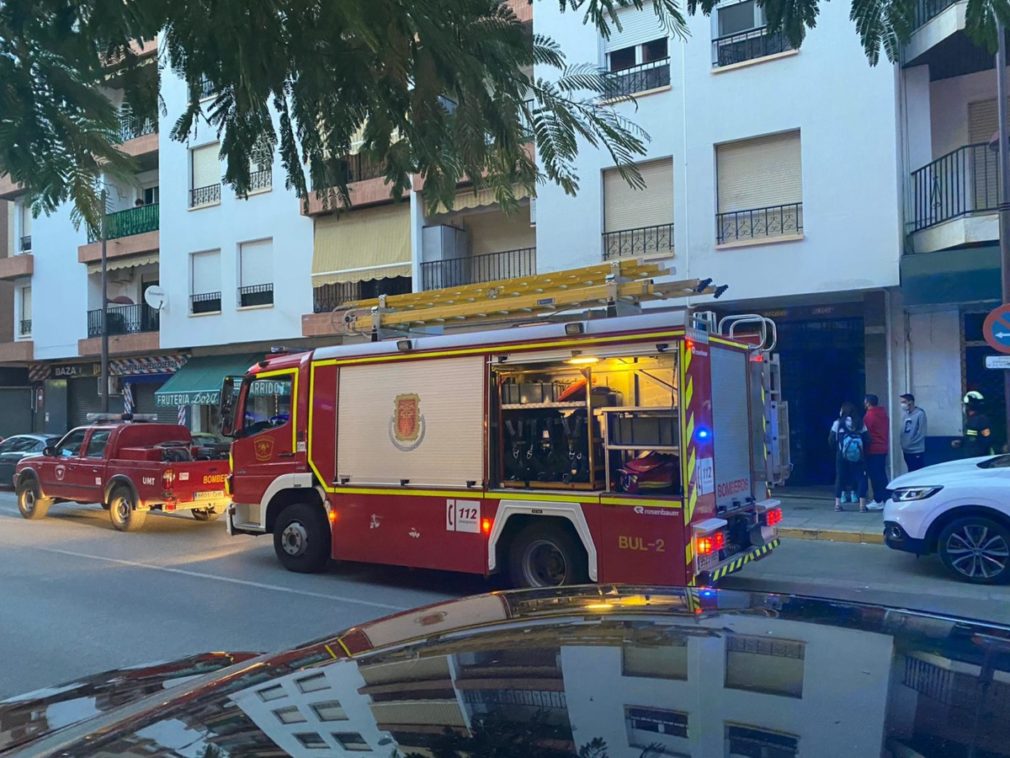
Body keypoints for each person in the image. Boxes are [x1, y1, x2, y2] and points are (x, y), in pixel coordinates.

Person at [829, 402, 868, 513]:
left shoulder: (838, 423)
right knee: (861, 478)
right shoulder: (860, 423)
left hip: (841, 455)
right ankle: (862, 505)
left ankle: (837, 504)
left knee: (840, 477)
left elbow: (831, 439)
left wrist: (837, 449)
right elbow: (868, 439)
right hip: (858, 455)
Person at [863, 394, 889, 511]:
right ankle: (885, 498)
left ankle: (878, 500)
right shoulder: (883, 414)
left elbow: (865, 433)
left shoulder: (869, 416)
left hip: (873, 449)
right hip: (882, 448)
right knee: (882, 475)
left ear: (868, 403)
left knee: (874, 476)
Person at [952, 390, 993, 458]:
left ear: (969, 406)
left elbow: (987, 439)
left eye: (965, 405)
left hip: (980, 457)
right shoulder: (972, 420)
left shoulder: (981, 420)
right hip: (971, 456)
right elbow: (971, 436)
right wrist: (961, 442)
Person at [898, 393, 927, 471]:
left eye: (904, 402)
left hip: (916, 450)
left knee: (917, 471)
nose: (902, 404)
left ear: (910, 402)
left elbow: (922, 432)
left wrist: (911, 443)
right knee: (910, 470)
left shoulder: (920, 414)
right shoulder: (905, 415)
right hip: (906, 450)